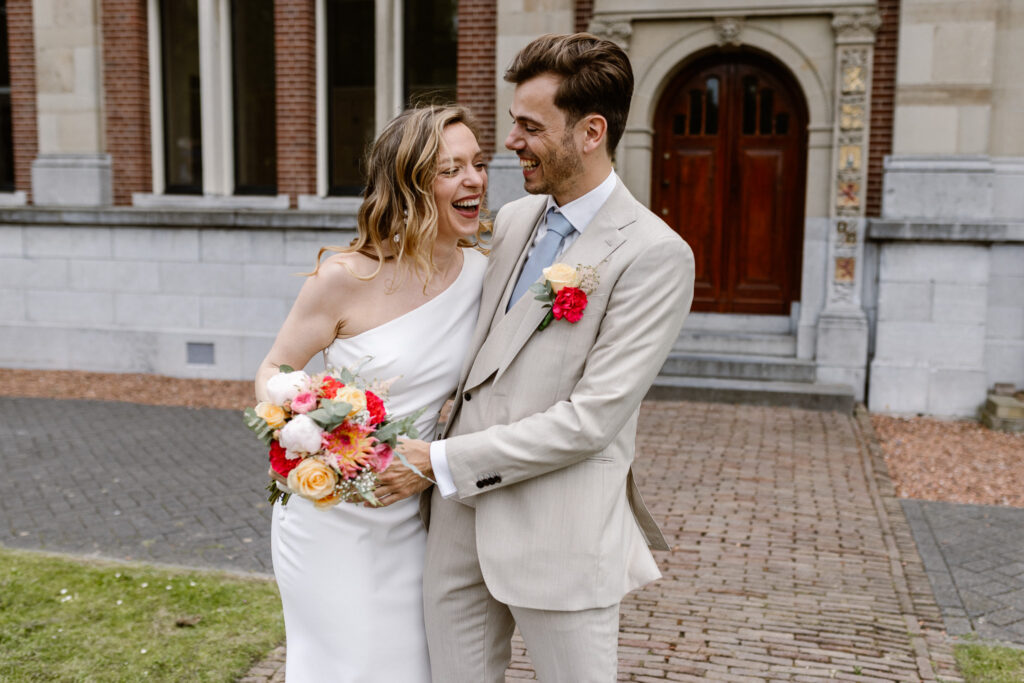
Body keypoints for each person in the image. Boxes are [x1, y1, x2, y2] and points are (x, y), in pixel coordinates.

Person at [377, 33, 696, 682]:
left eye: (529, 126)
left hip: (560, 532)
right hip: (456, 528)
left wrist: (438, 462)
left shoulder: (655, 254)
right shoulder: (517, 218)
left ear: (591, 132)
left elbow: (591, 419)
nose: (511, 142)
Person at [254, 105, 489, 682]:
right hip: (332, 518)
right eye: (451, 168)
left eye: (479, 165)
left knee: (410, 665)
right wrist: (313, 438)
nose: (475, 180)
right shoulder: (345, 277)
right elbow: (274, 368)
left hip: (417, 515)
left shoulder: (487, 275)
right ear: (409, 182)